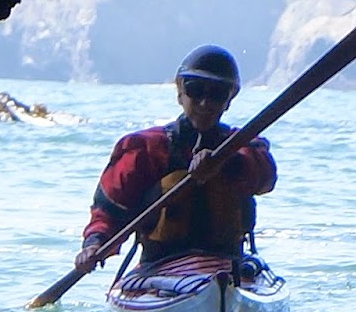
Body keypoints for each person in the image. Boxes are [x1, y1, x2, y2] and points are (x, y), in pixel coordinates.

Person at [74, 45, 277, 273]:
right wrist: (94, 244)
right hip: (159, 265)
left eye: (217, 94)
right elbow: (110, 211)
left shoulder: (246, 146)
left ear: (230, 98)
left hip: (228, 263)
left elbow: (265, 179)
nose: (205, 103)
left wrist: (223, 163)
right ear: (180, 91)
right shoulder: (146, 149)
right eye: (195, 90)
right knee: (174, 180)